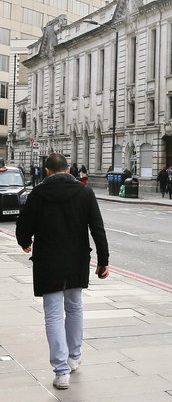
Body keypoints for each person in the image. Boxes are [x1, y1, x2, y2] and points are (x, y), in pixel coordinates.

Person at [15, 152, 110, 391]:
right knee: (75, 306)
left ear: (47, 171)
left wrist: (24, 241)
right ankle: (74, 356)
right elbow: (97, 228)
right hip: (76, 258)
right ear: (68, 170)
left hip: (48, 261)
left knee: (53, 314)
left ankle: (61, 372)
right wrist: (103, 260)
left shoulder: (37, 194)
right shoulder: (85, 193)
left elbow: (23, 224)